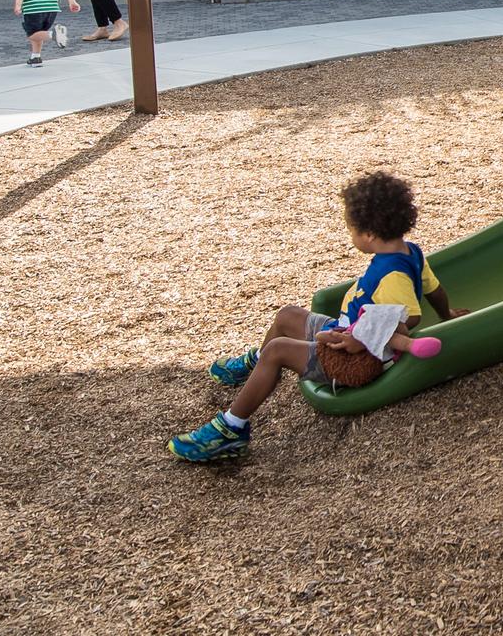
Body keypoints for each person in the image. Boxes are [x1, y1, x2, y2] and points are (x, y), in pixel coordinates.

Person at [169, 171, 465, 462]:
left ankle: (231, 429)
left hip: (357, 358)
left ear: (369, 235)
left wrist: (359, 340)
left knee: (278, 351)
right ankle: (254, 366)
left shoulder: (394, 275)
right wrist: (446, 314)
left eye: (351, 229)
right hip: (345, 330)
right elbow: (434, 290)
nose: (350, 234)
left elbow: (408, 319)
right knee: (286, 316)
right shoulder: (410, 252)